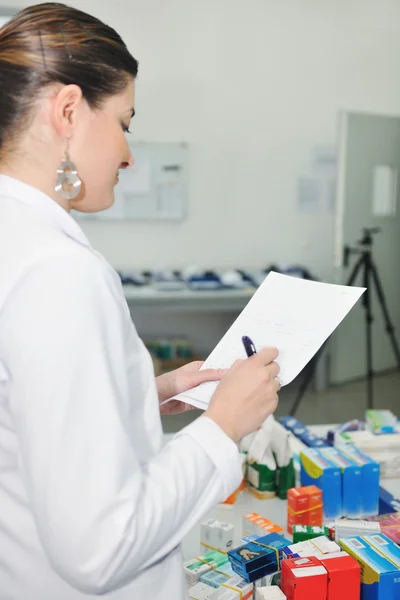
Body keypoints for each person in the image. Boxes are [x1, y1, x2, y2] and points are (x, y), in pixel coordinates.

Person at [0, 4, 281, 599]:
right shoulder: (59, 272)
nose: (128, 154)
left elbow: (20, 421)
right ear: (69, 112)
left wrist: (141, 395)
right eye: (125, 122)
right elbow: (99, 549)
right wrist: (224, 424)